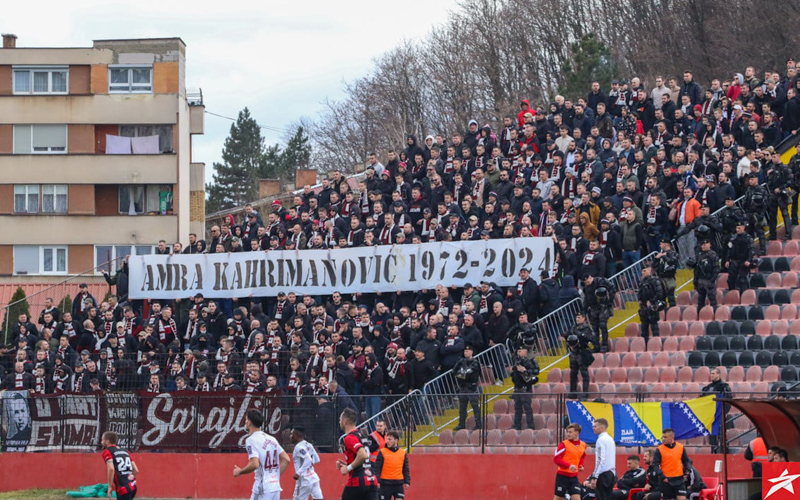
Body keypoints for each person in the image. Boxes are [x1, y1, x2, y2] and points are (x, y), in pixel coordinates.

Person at [234, 409, 291, 500]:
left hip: (262, 487)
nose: (245, 422)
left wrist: (240, 471)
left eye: (246, 419)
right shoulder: (272, 439)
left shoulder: (251, 440)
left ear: (249, 423)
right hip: (275, 486)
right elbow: (286, 459)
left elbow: (254, 464)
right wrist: (275, 477)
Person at [336, 407, 379, 500]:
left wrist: (348, 468)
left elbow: (363, 455)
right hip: (371, 480)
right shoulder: (362, 435)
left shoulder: (349, 437)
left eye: (340, 420)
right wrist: (347, 464)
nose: (339, 422)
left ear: (345, 421)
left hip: (358, 481)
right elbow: (362, 458)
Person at [652, 429, 691, 500]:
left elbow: (686, 461)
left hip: (679, 479)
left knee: (682, 498)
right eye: (662, 437)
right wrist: (662, 476)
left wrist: (687, 470)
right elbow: (655, 465)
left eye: (665, 437)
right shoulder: (659, 449)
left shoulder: (680, 447)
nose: (663, 439)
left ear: (672, 437)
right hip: (666, 480)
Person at [563, 313, 595, 399]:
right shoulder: (573, 327)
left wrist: (581, 335)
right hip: (574, 353)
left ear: (584, 318)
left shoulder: (586, 328)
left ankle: (585, 392)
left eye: (579, 317)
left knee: (584, 373)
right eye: (576, 317)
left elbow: (591, 339)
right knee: (573, 373)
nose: (577, 319)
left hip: (582, 352)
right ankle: (573, 391)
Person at [101, 431, 139, 500]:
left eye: (102, 440)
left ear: (107, 441)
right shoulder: (126, 451)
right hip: (133, 486)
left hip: (123, 489)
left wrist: (110, 487)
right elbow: (136, 470)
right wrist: (130, 477)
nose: (101, 442)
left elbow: (111, 469)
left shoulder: (107, 451)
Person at [582, 274, 616, 352]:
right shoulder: (587, 288)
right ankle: (596, 346)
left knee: (603, 326)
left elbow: (612, 288)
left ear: (590, 277)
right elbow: (586, 300)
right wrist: (584, 312)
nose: (587, 283)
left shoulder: (601, 281)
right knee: (594, 328)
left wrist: (609, 301)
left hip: (603, 306)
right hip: (593, 308)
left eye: (587, 280)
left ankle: (605, 345)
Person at [584, 418, 616, 500]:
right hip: (612, 473)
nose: (593, 428)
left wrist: (595, 476)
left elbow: (601, 460)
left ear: (601, 428)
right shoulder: (610, 439)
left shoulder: (600, 440)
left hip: (603, 474)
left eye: (595, 426)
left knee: (601, 497)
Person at [373, 430, 410, 500]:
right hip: (385, 484)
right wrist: (377, 480)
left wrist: (407, 481)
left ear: (396, 440)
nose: (387, 441)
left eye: (390, 439)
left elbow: (406, 468)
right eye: (387, 439)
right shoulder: (382, 452)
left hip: (398, 484)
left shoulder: (402, 453)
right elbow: (377, 468)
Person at [553, 423, 587, 500]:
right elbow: (556, 459)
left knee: (577, 498)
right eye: (567, 432)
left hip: (574, 477)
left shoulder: (583, 445)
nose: (568, 434)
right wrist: (569, 466)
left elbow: (582, 456)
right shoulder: (563, 444)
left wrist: (581, 465)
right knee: (558, 498)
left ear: (577, 433)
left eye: (570, 432)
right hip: (562, 477)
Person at [453, 344, 482, 431]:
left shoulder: (475, 362)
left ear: (472, 352)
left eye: (468, 351)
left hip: (471, 388)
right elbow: (454, 371)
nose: (466, 353)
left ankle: (478, 424)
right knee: (462, 408)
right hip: (462, 387)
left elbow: (471, 374)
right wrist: (461, 374)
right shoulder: (461, 361)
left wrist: (462, 374)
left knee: (475, 406)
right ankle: (461, 424)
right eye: (465, 351)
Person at [510, 345, 539, 430]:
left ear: (525, 351)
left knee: (527, 407)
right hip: (517, 387)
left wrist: (525, 371)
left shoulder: (531, 361)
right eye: (518, 351)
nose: (519, 352)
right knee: (517, 408)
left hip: (526, 387)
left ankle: (530, 425)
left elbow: (536, 371)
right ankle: (517, 425)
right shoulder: (516, 361)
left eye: (521, 350)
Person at [290, 427, 323, 500]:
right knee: (318, 498)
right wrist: (309, 465)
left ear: (296, 435)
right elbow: (317, 459)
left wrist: (298, 473)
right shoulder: (309, 444)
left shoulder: (298, 447)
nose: (290, 436)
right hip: (313, 477)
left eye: (292, 434)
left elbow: (308, 459)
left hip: (304, 479)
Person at [725, 221, 756, 294]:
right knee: (730, 279)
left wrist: (748, 260)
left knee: (742, 280)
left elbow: (751, 250)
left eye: (739, 228)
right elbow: (729, 249)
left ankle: (744, 296)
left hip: (743, 261)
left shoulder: (748, 238)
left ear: (743, 228)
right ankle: (732, 294)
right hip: (734, 261)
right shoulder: (733, 238)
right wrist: (727, 260)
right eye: (737, 228)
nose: (737, 230)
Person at [638, 266, 665, 343]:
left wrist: (652, 301)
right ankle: (644, 344)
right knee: (644, 327)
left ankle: (656, 343)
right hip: (644, 307)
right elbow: (640, 293)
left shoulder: (655, 281)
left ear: (650, 271)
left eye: (645, 271)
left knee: (654, 326)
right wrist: (639, 300)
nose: (643, 272)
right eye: (642, 271)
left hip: (653, 306)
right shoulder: (642, 282)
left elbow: (660, 294)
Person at [690, 240, 719, 310]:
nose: (703, 246)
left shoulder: (713, 255)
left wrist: (712, 280)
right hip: (700, 280)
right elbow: (696, 270)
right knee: (700, 301)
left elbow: (716, 269)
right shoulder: (699, 255)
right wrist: (695, 281)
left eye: (705, 244)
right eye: (702, 245)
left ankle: (715, 315)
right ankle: (699, 315)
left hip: (709, 279)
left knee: (712, 300)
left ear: (709, 245)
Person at [654, 238, 680, 309]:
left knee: (670, 295)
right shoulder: (660, 253)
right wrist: (657, 258)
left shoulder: (673, 253)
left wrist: (664, 256)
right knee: (661, 296)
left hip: (669, 277)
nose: (660, 245)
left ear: (666, 244)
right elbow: (654, 266)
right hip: (661, 277)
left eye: (661, 244)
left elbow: (672, 262)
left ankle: (673, 311)